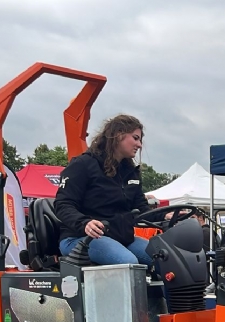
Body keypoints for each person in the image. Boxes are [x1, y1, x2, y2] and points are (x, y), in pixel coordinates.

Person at [55, 114, 154, 266]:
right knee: (128, 263)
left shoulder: (130, 172)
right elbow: (63, 204)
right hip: (81, 237)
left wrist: (165, 216)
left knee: (165, 257)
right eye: (135, 138)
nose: (139, 145)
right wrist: (85, 223)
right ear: (119, 134)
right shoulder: (83, 164)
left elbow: (141, 208)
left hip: (121, 238)